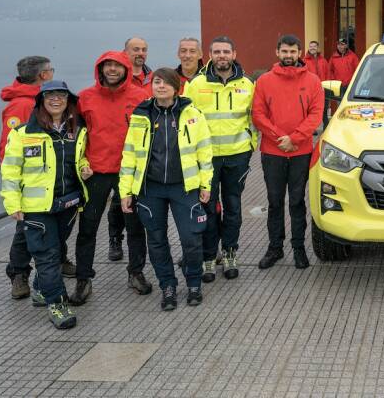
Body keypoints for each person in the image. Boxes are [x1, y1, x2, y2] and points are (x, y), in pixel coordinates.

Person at [120, 68, 214, 310]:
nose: (160, 86)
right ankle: (168, 286)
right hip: (150, 189)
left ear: (176, 87)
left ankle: (193, 283)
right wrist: (125, 191)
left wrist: (206, 184)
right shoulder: (141, 115)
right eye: (156, 82)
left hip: (184, 188)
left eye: (166, 82)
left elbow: (204, 151)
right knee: (157, 240)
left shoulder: (192, 114)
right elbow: (130, 155)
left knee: (191, 239)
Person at [0, 80, 89, 330]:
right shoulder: (23, 134)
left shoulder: (77, 131)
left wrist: (84, 167)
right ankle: (57, 304)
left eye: (61, 95)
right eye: (49, 95)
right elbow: (10, 172)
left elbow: (79, 158)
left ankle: (40, 288)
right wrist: (12, 203)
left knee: (57, 247)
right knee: (48, 258)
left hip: (68, 203)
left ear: (68, 100)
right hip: (36, 208)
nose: (56, 99)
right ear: (40, 101)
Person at [72, 51, 151, 305]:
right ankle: (84, 279)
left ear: (127, 69)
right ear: (100, 69)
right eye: (108, 65)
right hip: (96, 172)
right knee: (87, 228)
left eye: (118, 65)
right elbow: (75, 136)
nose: (113, 70)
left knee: (135, 226)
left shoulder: (141, 97)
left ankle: (136, 272)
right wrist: (81, 164)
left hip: (130, 171)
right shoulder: (85, 98)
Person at [0, 56, 75, 299]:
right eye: (50, 70)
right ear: (43, 75)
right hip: (31, 187)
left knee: (44, 233)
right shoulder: (23, 106)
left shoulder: (37, 99)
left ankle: (52, 267)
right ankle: (19, 274)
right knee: (25, 234)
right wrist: (16, 190)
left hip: (52, 187)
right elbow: (11, 148)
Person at [183, 36, 257, 282]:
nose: (222, 55)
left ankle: (230, 253)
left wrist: (251, 144)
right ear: (210, 55)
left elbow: (255, 116)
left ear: (234, 54)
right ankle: (208, 257)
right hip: (207, 159)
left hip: (237, 156)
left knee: (233, 207)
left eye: (226, 51)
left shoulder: (248, 84)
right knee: (208, 208)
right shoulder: (196, 84)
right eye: (217, 52)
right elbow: (185, 119)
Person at [252, 34, 324, 270]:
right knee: (274, 202)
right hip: (273, 152)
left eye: (293, 52)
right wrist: (279, 138)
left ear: (299, 53)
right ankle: (275, 248)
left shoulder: (313, 81)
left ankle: (299, 249)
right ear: (277, 52)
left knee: (296, 202)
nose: (289, 56)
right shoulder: (264, 81)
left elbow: (315, 115)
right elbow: (258, 114)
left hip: (300, 152)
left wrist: (294, 139)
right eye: (284, 51)